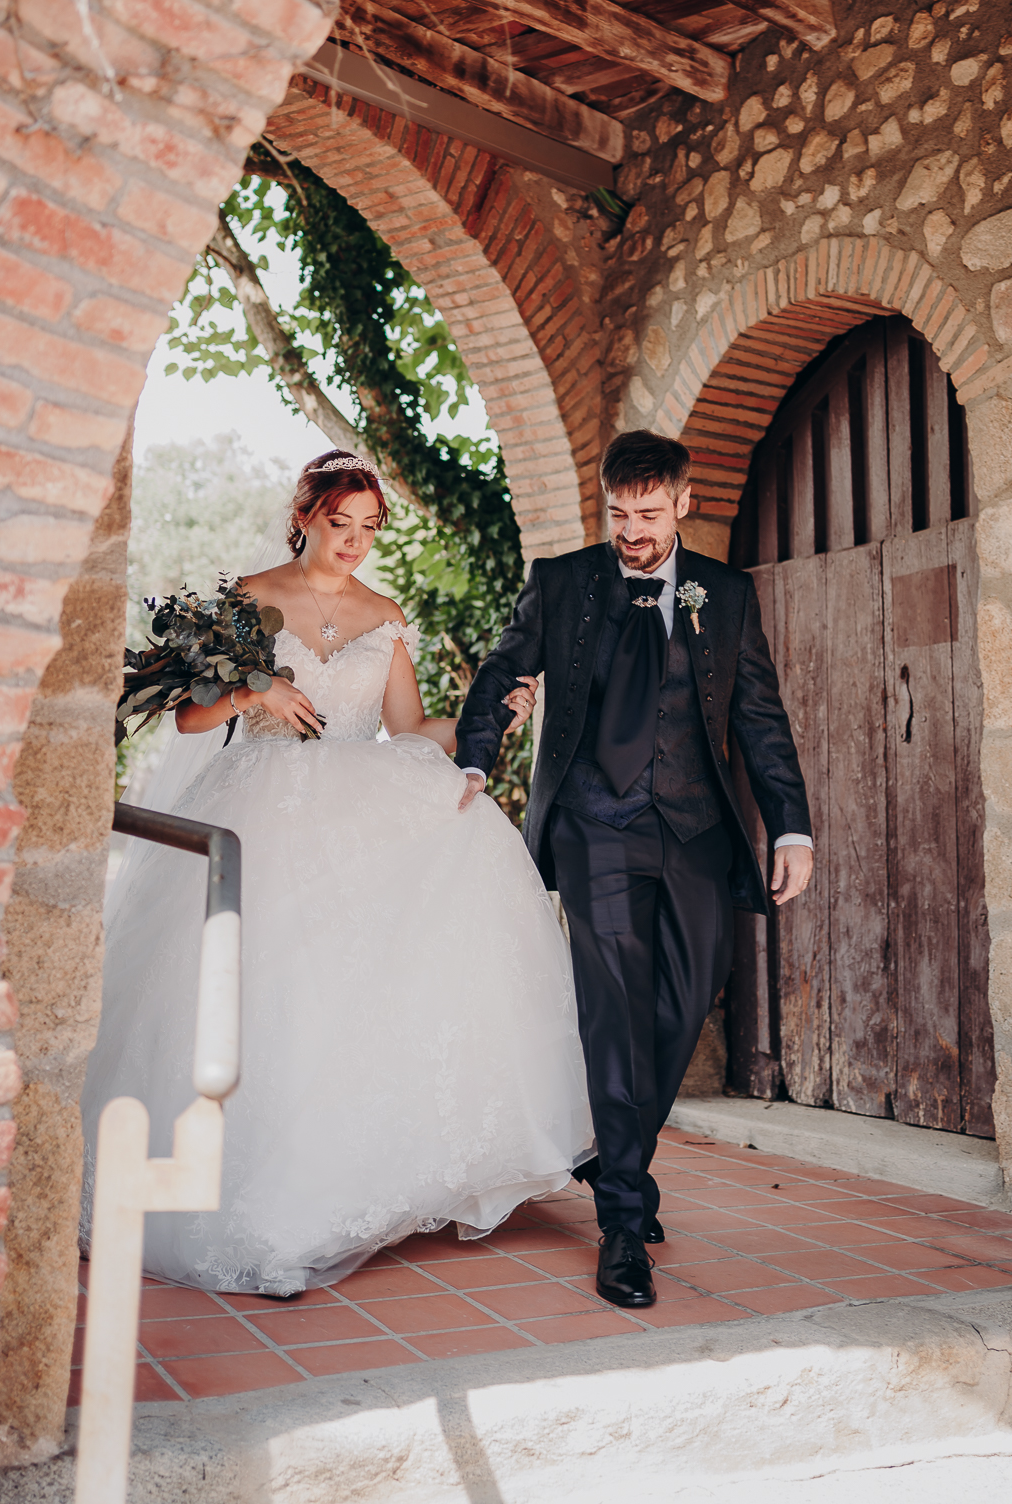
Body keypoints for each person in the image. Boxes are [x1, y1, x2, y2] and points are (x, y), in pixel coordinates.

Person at [81, 450, 593, 1296]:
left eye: (367, 528)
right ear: (307, 515)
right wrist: (255, 695)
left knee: (346, 1001)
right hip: (260, 807)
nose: (353, 541)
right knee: (265, 991)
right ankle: (250, 1202)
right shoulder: (249, 596)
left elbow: (408, 729)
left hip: (359, 809)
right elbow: (188, 718)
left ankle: (339, 1188)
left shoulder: (384, 615)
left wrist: (483, 717)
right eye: (338, 523)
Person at [455, 430, 813, 1312]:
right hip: (595, 824)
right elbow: (503, 666)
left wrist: (792, 829)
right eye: (619, 513)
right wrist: (474, 754)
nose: (633, 531)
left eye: (650, 515)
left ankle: (610, 1158)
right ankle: (622, 1221)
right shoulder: (564, 581)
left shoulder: (724, 593)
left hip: (696, 828)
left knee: (686, 999)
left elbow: (760, 717)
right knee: (613, 1010)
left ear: (683, 505)